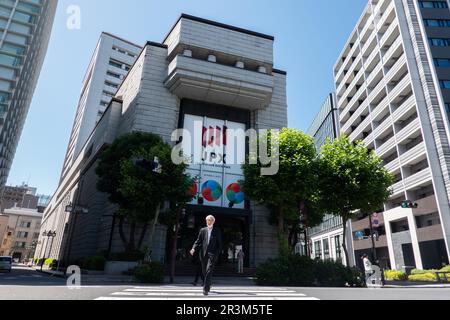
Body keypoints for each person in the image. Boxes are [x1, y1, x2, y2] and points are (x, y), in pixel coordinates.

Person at [190, 215, 222, 296]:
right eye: (207, 220)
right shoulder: (202, 230)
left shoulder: (217, 231)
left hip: (212, 255)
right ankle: (209, 283)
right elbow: (198, 241)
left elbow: (219, 244)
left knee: (209, 271)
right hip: (203, 255)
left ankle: (205, 289)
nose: (208, 221)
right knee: (204, 272)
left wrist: (216, 254)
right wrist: (193, 248)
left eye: (210, 220)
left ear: (213, 221)